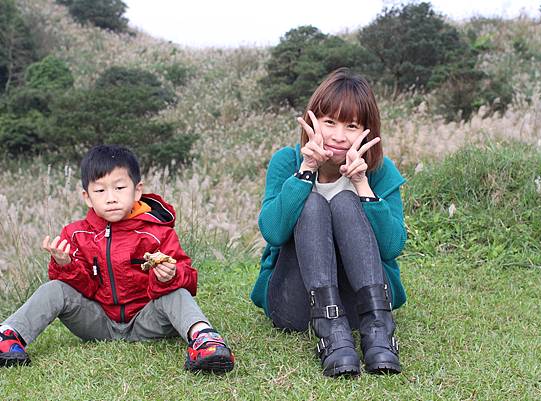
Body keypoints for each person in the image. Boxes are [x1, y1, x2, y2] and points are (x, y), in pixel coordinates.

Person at [0, 145, 234, 373]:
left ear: (137, 190)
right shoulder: (76, 234)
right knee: (54, 288)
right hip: (97, 323)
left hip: (148, 321)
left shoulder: (158, 232)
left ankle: (205, 340)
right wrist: (65, 265)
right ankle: (9, 336)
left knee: (177, 293)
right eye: (100, 191)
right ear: (88, 197)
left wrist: (169, 276)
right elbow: (86, 289)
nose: (111, 198)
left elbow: (189, 280)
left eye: (120, 188)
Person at [251, 68, 407, 377]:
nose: (338, 136)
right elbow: (272, 230)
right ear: (312, 123)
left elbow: (392, 247)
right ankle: (331, 334)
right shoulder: (288, 161)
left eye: (351, 125)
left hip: (361, 305)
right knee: (311, 202)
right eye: (329, 122)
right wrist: (306, 170)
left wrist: (362, 185)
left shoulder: (379, 171)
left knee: (347, 201)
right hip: (297, 303)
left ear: (367, 130)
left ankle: (379, 332)